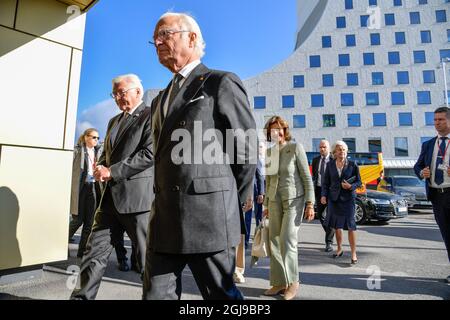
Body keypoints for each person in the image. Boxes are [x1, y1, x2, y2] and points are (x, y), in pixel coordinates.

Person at [143, 12, 256, 300]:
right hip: (165, 218)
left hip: (209, 217)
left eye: (164, 34)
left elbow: (245, 149)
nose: (157, 42)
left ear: (191, 37)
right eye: (154, 39)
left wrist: (228, 200)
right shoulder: (158, 99)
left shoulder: (220, 82)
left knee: (221, 297)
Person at [70, 74, 153, 300]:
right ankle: (81, 298)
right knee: (93, 252)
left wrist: (112, 171)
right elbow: (106, 154)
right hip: (108, 202)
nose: (117, 98)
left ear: (137, 91)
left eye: (121, 93)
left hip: (137, 202)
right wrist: (101, 167)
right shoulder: (113, 121)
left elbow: (149, 154)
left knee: (146, 259)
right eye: (114, 94)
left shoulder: (151, 116)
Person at [262, 116, 315, 300]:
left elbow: (307, 178)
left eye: (279, 129)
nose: (276, 132)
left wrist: (310, 203)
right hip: (274, 201)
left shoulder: (295, 148)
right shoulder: (269, 153)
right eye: (272, 130)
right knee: (274, 242)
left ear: (285, 130)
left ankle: (293, 282)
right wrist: (267, 204)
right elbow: (268, 180)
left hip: (294, 201)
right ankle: (279, 283)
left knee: (286, 240)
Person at [414, 106, 450, 284]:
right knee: (447, 236)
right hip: (437, 197)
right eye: (435, 120)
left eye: (441, 119)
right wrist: (422, 173)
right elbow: (417, 166)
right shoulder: (428, 144)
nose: (437, 123)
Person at [321, 140, 361, 265]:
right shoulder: (330, 165)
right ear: (335, 152)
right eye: (339, 149)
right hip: (334, 199)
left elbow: (359, 182)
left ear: (346, 151)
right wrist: (323, 195)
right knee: (337, 226)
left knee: (350, 226)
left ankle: (353, 253)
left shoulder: (353, 164)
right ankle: (339, 249)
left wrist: (351, 186)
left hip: (348, 199)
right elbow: (325, 183)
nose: (342, 151)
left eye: (344, 149)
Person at [68, 128, 101, 258]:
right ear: (86, 137)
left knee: (89, 223)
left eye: (97, 138)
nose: (96, 140)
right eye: (94, 137)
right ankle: (60, 242)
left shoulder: (99, 152)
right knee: (77, 220)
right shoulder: (77, 150)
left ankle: (81, 252)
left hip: (93, 187)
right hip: (81, 188)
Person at [311, 139, 335, 252]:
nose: (322, 149)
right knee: (320, 215)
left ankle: (329, 242)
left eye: (324, 147)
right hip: (319, 190)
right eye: (320, 147)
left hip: (331, 192)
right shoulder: (315, 160)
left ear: (328, 148)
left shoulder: (333, 160)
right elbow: (314, 176)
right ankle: (331, 231)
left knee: (330, 215)